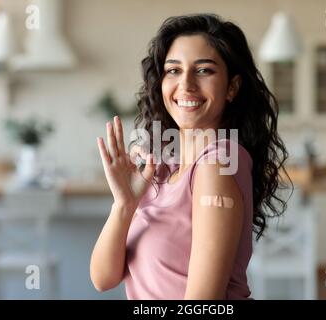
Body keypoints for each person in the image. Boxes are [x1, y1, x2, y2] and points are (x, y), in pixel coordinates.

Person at [90, 13, 290, 300]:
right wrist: (124, 205)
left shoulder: (217, 164)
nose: (186, 84)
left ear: (231, 87)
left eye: (204, 70)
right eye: (173, 70)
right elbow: (103, 278)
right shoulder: (162, 168)